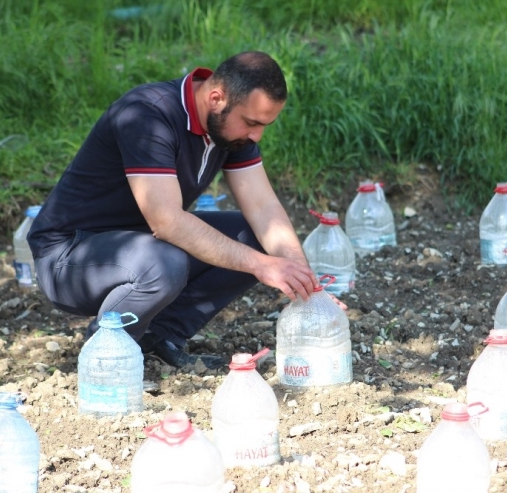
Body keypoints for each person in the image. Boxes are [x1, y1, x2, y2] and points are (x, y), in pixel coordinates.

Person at [28, 51, 318, 370]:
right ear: (216, 97)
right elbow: (166, 222)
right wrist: (263, 266)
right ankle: (104, 361)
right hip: (68, 256)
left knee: (253, 237)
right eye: (251, 123)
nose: (256, 136)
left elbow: (263, 208)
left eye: (264, 125)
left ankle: (158, 335)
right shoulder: (148, 115)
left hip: (139, 248)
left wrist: (303, 280)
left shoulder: (230, 131)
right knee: (165, 263)